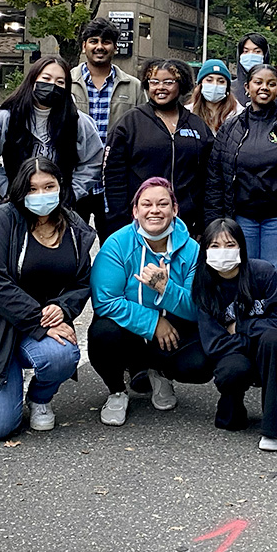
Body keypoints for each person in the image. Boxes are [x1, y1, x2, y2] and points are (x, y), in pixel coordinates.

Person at [0, 157, 94, 439]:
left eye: (49, 186)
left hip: (37, 328)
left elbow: (82, 281)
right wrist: (41, 319)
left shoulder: (74, 226)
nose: (41, 195)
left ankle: (39, 398)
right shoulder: (2, 219)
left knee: (62, 354)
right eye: (32, 189)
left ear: (60, 186)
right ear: (20, 191)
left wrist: (62, 308)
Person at [88, 178, 211, 426]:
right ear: (135, 211)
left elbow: (197, 308)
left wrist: (166, 289)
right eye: (146, 204)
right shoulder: (117, 244)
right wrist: (154, 322)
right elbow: (105, 301)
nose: (154, 210)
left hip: (174, 329)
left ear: (175, 210)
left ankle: (160, 373)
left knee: (201, 361)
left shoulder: (192, 250)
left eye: (163, 204)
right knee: (102, 333)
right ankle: (116, 391)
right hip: (130, 331)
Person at [194, 218, 277, 451]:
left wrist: (241, 327)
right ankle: (232, 407)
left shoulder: (264, 273)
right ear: (205, 251)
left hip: (266, 351)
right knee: (233, 370)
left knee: (273, 340)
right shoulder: (204, 284)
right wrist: (256, 332)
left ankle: (275, 428)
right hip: (234, 354)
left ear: (242, 246)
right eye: (215, 246)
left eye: (230, 245)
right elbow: (214, 344)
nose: (223, 252)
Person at [205, 63, 277, 280]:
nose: (264, 88)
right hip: (241, 217)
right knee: (241, 275)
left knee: (274, 277)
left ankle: (273, 315)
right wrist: (214, 222)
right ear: (247, 87)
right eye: (258, 82)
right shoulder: (230, 128)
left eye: (271, 84)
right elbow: (215, 179)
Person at [102, 59, 213, 235]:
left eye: (168, 82)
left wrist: (202, 221)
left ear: (181, 84)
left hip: (185, 222)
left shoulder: (196, 126)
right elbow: (113, 176)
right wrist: (120, 220)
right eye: (154, 82)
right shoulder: (130, 123)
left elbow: (207, 177)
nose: (160, 87)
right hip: (140, 221)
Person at [0, 55, 104, 209]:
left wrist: (72, 193)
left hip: (59, 206)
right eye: (46, 78)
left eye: (60, 82)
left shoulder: (78, 122)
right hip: (13, 204)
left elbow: (93, 161)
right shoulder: (6, 118)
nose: (52, 85)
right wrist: (7, 189)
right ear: (32, 79)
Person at [69, 17, 146, 144]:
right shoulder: (67, 82)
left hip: (118, 161)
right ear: (84, 46)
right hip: (76, 161)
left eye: (105, 42)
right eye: (94, 41)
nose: (99, 47)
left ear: (115, 47)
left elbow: (143, 128)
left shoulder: (134, 86)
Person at [232, 33, 277, 117]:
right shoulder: (231, 88)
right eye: (246, 51)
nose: (251, 55)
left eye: (257, 51)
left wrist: (276, 93)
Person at [187, 59, 241, 136]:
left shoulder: (239, 114)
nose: (215, 85)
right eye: (209, 80)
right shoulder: (187, 113)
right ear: (200, 84)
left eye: (221, 81)